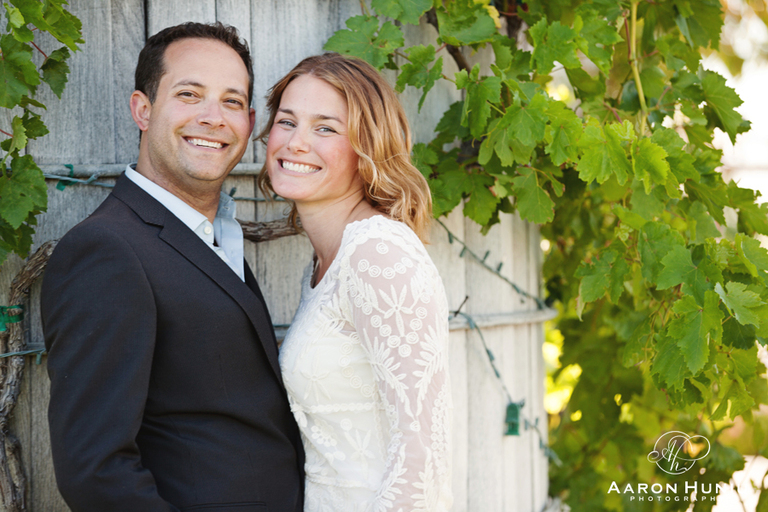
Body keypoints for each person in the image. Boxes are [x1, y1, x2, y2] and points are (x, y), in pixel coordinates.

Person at [41, 22, 304, 512]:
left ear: (248, 121)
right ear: (143, 109)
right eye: (189, 94)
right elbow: (94, 472)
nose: (213, 117)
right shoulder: (106, 251)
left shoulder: (217, 235)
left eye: (231, 102)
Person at [258, 53, 453, 511]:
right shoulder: (330, 259)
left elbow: (422, 452)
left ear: (368, 145)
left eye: (325, 128)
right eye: (287, 122)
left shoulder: (378, 254)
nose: (297, 143)